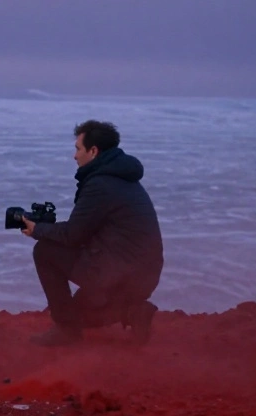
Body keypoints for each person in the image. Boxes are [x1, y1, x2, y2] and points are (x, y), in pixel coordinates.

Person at [22, 120, 163, 346]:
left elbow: (73, 235)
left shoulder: (101, 184)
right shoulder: (123, 178)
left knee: (45, 251)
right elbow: (84, 231)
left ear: (94, 151)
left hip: (121, 274)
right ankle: (133, 311)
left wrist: (37, 229)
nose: (74, 156)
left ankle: (66, 332)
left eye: (78, 149)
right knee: (81, 313)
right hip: (143, 275)